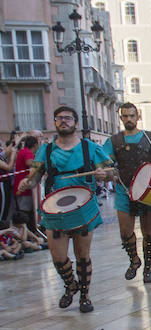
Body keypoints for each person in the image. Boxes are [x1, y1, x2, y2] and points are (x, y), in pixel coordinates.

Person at [17, 106, 114, 312]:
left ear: (76, 123)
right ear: (54, 122)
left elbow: (111, 172)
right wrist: (27, 182)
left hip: (83, 208)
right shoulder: (46, 150)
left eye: (68, 118)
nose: (63, 121)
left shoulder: (89, 147)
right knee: (58, 258)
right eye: (59, 118)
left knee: (82, 256)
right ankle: (71, 286)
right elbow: (34, 178)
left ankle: (85, 296)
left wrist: (103, 174)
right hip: (55, 209)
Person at [102, 103, 151, 283]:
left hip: (147, 189)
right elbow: (104, 162)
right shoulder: (114, 141)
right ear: (121, 118)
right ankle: (134, 260)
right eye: (125, 116)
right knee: (125, 232)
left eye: (132, 116)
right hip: (124, 189)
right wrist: (106, 171)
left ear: (137, 117)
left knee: (148, 232)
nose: (129, 119)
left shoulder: (149, 137)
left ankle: (148, 268)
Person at [12, 135, 39, 231]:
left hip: (21, 186)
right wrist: (40, 162)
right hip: (24, 188)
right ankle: (27, 233)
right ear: (35, 145)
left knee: (26, 211)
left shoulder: (22, 151)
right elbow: (29, 162)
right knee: (25, 212)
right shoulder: (27, 152)